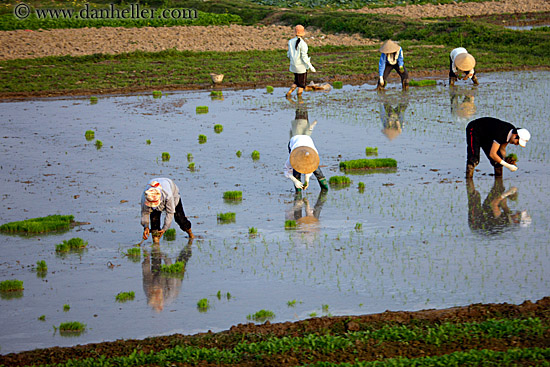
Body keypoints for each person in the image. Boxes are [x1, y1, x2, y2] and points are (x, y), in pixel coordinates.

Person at [465, 117, 530, 178]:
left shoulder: (510, 133)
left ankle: (499, 184)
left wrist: (505, 159)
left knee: (498, 162)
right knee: (474, 159)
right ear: (515, 135)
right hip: (474, 129)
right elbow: (492, 154)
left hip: (487, 135)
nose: (516, 144)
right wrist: (508, 166)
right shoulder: (502, 133)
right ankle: (469, 183)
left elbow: (502, 149)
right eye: (517, 142)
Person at [466, 178, 531, 236]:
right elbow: (503, 204)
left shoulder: (503, 222)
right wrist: (507, 195)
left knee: (475, 196)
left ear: (516, 221)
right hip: (487, 217)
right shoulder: (510, 217)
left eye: (519, 214)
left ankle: (469, 180)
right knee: (499, 189)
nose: (517, 212)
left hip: (476, 223)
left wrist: (507, 193)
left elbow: (493, 204)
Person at [142, 240, 193, 312]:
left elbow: (170, 271)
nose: (154, 291)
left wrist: (163, 257)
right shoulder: (168, 294)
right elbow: (146, 271)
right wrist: (146, 259)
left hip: (169, 280)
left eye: (154, 292)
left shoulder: (153, 291)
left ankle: (189, 246)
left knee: (179, 259)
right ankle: (189, 248)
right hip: (172, 281)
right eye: (154, 292)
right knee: (178, 262)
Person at [141, 178, 194, 242]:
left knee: (179, 218)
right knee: (154, 222)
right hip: (157, 192)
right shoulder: (146, 196)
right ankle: (156, 245)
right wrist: (146, 227)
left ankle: (191, 235)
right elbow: (145, 213)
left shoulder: (168, 195)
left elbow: (170, 212)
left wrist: (165, 228)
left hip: (173, 194)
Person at [286, 25, 316, 98]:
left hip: (293, 66)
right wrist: (310, 66)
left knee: (296, 82)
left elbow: (288, 54)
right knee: (301, 85)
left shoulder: (290, 42)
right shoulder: (303, 44)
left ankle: (288, 93)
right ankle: (299, 99)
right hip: (301, 67)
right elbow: (304, 57)